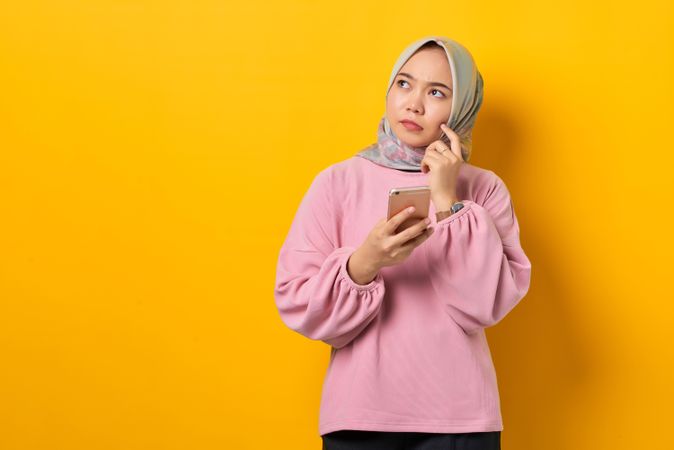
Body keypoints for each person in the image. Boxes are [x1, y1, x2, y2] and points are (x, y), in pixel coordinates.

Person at [273, 35, 532, 450]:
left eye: (437, 92)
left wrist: (448, 199)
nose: (414, 104)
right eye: (404, 84)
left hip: (459, 420)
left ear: (463, 106)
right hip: (359, 417)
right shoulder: (337, 183)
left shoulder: (484, 189)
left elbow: (483, 305)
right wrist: (364, 262)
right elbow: (295, 298)